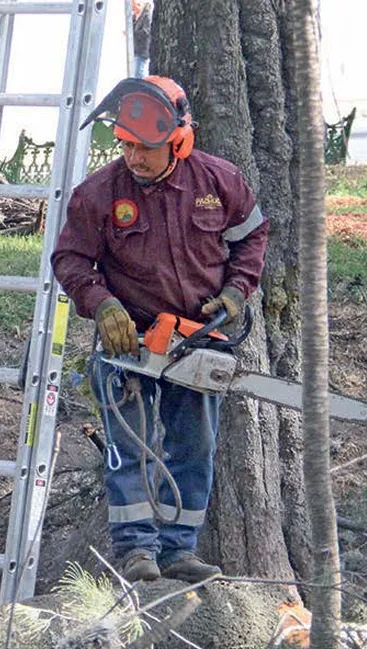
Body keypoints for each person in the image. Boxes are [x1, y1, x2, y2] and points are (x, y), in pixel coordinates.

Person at [52, 76, 269, 584]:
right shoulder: (99, 194)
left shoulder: (219, 182)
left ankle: (179, 549)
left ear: (178, 140)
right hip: (129, 341)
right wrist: (102, 304)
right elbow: (70, 259)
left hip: (196, 339)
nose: (133, 158)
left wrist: (236, 291)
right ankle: (135, 550)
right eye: (125, 146)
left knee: (194, 448)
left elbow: (252, 236)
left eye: (144, 148)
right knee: (132, 446)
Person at [131, 0, 153, 78]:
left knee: (139, 75)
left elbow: (146, 32)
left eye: (134, 6)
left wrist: (133, 33)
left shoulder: (146, 16)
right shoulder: (134, 17)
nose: (133, 9)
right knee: (135, 74)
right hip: (135, 51)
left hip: (142, 51)